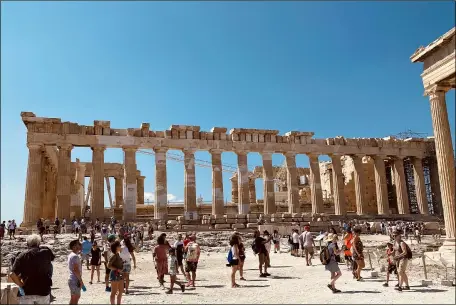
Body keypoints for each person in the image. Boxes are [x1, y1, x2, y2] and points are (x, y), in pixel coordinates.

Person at [9, 234, 54, 304]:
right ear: (39, 243)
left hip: (27, 291)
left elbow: (12, 274)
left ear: (27, 244)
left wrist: (21, 285)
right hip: (44, 290)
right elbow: (51, 262)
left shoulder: (22, 255)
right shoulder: (47, 252)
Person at [68, 239, 84, 305]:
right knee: (75, 299)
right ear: (74, 247)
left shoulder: (72, 255)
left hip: (73, 280)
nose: (80, 245)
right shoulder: (74, 256)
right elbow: (75, 270)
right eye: (78, 244)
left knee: (74, 298)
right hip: (75, 280)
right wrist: (80, 281)